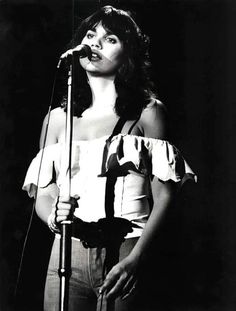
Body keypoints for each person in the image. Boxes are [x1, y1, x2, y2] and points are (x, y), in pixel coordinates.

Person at [22, 5, 196, 311]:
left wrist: (136, 259)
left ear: (128, 55)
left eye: (110, 38)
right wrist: (53, 215)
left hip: (127, 249)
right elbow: (44, 192)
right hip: (66, 250)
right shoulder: (58, 118)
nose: (96, 43)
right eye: (91, 35)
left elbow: (165, 195)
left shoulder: (148, 112)